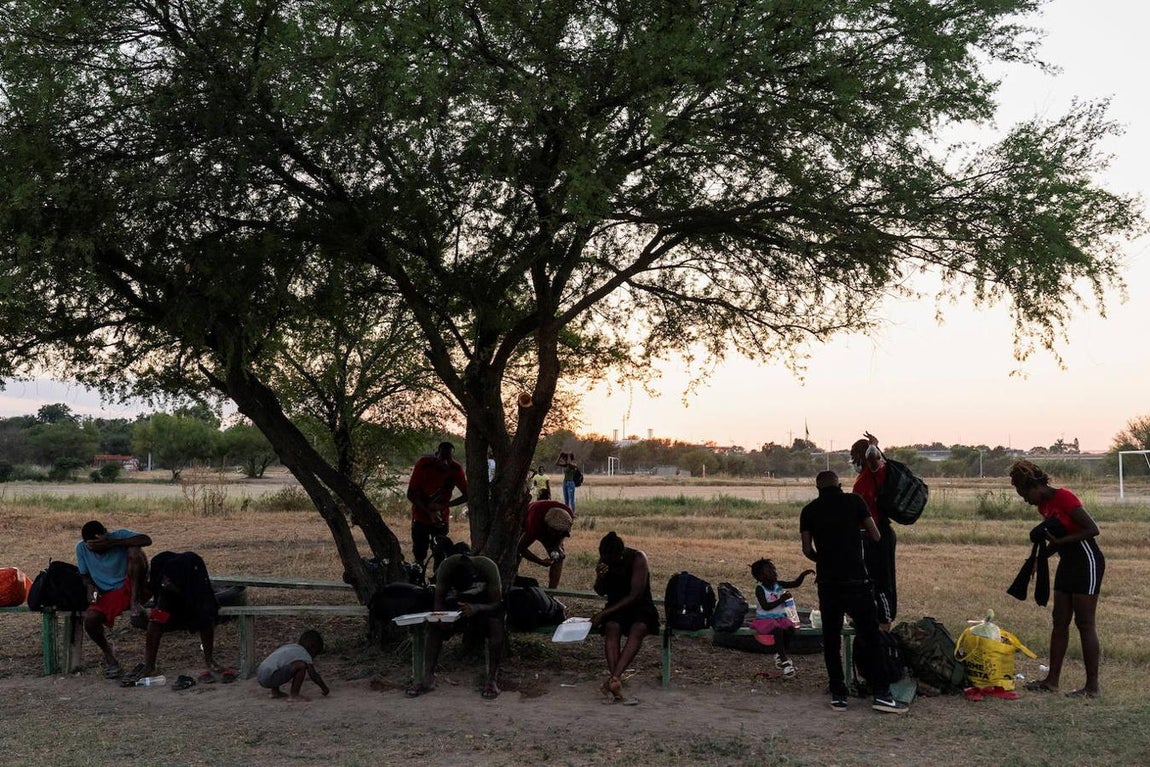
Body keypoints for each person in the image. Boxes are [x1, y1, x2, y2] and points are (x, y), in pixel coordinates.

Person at [800, 471, 906, 713]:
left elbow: (807, 549)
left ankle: (838, 694)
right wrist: (854, 540)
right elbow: (876, 535)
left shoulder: (809, 510)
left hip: (828, 583)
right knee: (871, 636)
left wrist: (823, 560)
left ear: (817, 488)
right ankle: (881, 694)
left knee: (831, 639)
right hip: (857, 580)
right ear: (839, 485)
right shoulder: (854, 501)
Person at [1009, 460, 1105, 699]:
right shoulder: (1044, 505)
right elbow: (1055, 539)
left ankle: (1092, 687)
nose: (1025, 500)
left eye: (1025, 494)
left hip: (1087, 562)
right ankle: (1051, 681)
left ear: (1035, 486)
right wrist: (1038, 559)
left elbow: (1092, 529)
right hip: (1068, 562)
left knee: (1085, 623)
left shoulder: (1064, 497)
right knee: (1059, 621)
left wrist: (1061, 543)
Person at [406, 553, 505, 700]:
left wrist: (477, 608)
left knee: (496, 626)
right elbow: (438, 600)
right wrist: (442, 618)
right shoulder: (445, 568)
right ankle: (428, 677)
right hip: (455, 609)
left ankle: (491, 680)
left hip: (482, 609)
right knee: (434, 627)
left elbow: (497, 604)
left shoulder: (488, 568)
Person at [125, 551, 222, 685]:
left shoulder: (194, 575)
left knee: (205, 618)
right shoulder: (161, 569)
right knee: (154, 624)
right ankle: (149, 666)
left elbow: (206, 612)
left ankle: (209, 660)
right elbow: (158, 603)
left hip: (191, 594)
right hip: (170, 598)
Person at [75, 520, 152, 679]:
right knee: (90, 619)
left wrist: (112, 543)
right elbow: (84, 575)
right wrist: (90, 587)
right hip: (108, 593)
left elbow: (146, 539)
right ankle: (109, 656)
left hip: (133, 585)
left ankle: (135, 602)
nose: (97, 550)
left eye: (99, 545)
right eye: (92, 547)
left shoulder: (119, 536)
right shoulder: (81, 548)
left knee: (135, 550)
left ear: (106, 534)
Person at [591, 531, 659, 705]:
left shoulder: (638, 558)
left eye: (612, 559)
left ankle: (613, 678)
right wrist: (600, 577)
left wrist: (603, 613)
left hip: (639, 605)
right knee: (611, 627)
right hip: (616, 606)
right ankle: (615, 680)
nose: (608, 561)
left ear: (620, 554)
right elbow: (600, 591)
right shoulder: (605, 560)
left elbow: (635, 595)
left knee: (639, 628)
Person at [849, 431, 898, 629]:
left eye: (855, 456)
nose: (853, 461)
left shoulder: (875, 470)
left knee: (881, 581)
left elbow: (872, 458)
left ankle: (885, 625)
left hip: (879, 534)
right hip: (869, 535)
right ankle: (872, 620)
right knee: (870, 579)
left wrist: (872, 445)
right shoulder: (865, 475)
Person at [406, 441, 468, 568]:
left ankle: (438, 577)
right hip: (420, 517)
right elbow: (411, 493)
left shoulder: (456, 469)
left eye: (449, 459)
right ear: (436, 455)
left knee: (440, 553)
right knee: (419, 553)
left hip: (441, 519)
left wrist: (445, 506)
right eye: (442, 458)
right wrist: (429, 512)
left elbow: (467, 495)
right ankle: (418, 575)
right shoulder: (424, 464)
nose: (445, 462)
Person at [749, 558, 814, 678]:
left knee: (790, 629)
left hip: (779, 618)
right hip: (765, 619)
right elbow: (766, 606)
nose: (773, 573)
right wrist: (781, 600)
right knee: (778, 630)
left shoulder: (778, 585)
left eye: (773, 570)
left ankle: (780, 654)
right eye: (768, 571)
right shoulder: (760, 589)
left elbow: (795, 584)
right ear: (760, 576)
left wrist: (803, 575)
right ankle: (784, 661)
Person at [257, 630, 330, 700]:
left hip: (260, 675)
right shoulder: (305, 654)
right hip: (269, 678)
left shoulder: (291, 647)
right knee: (302, 666)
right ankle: (294, 695)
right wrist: (325, 688)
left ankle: (275, 692)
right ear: (312, 648)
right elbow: (313, 675)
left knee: (280, 664)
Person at [517, 500, 574, 588]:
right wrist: (540, 561)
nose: (556, 536)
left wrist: (558, 546)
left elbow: (563, 534)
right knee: (514, 553)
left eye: (559, 532)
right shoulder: (535, 524)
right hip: (527, 517)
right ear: (548, 527)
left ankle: (552, 592)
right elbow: (521, 548)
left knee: (558, 557)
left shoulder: (567, 516)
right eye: (554, 532)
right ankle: (512, 579)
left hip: (543, 519)